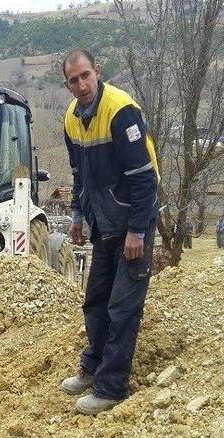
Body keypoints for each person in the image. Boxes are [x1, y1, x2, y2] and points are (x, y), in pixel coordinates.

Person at [58, 49, 160, 415]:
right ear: (67, 84)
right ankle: (93, 366)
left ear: (97, 72)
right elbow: (79, 176)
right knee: (96, 299)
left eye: (86, 75)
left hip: (134, 222)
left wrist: (138, 232)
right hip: (103, 223)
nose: (82, 84)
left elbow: (145, 178)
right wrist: (76, 217)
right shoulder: (71, 119)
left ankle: (112, 387)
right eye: (74, 80)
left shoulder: (121, 111)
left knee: (122, 306)